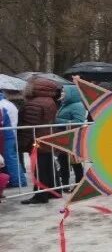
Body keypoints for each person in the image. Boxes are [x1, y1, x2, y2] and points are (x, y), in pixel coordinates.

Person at [18, 76, 62, 204]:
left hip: (37, 140)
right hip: (47, 139)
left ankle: (41, 195)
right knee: (49, 165)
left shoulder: (34, 103)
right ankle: (55, 191)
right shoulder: (50, 101)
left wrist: (22, 143)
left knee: (40, 168)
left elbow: (28, 127)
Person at [55, 85, 87, 189]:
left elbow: (78, 122)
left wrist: (58, 121)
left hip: (72, 138)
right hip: (64, 136)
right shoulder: (65, 104)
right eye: (62, 92)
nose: (62, 94)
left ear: (71, 94)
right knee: (63, 161)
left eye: (64, 92)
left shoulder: (77, 105)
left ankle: (79, 183)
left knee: (74, 162)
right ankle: (65, 185)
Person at [0, 92, 24, 189]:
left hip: (6, 135)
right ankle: (17, 180)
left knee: (10, 159)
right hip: (10, 134)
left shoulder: (2, 105)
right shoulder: (7, 103)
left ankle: (18, 181)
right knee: (11, 159)